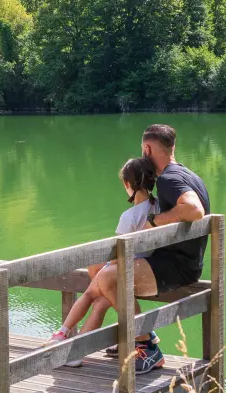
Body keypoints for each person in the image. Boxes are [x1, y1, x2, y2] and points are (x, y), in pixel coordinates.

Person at [96, 123, 210, 374]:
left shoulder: (169, 179)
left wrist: (153, 222)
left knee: (108, 276)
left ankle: (147, 347)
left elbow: (195, 210)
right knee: (98, 267)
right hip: (182, 262)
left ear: (147, 149)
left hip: (176, 268)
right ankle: (133, 335)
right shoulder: (187, 174)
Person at [47, 157, 159, 367]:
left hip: (129, 269)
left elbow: (118, 255)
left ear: (127, 184)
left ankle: (63, 335)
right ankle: (76, 350)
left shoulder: (130, 216)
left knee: (91, 294)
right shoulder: (160, 208)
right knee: (101, 297)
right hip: (147, 266)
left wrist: (106, 267)